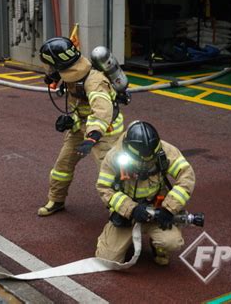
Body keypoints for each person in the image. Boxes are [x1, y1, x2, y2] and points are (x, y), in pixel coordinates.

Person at [38, 37, 125, 216]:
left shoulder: (94, 81)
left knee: (110, 173)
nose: (48, 70)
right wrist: (72, 121)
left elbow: (102, 112)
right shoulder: (71, 74)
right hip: (81, 128)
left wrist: (93, 137)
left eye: (50, 65)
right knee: (62, 167)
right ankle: (56, 200)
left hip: (104, 132)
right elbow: (80, 106)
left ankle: (120, 211)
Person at [95, 121, 195, 265]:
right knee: (106, 259)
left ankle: (158, 246)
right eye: (142, 161)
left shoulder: (164, 151)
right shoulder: (114, 156)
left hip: (157, 208)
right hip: (127, 213)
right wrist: (131, 209)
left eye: (150, 160)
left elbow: (187, 176)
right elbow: (104, 188)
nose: (146, 165)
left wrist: (168, 209)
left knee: (172, 242)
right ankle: (119, 240)